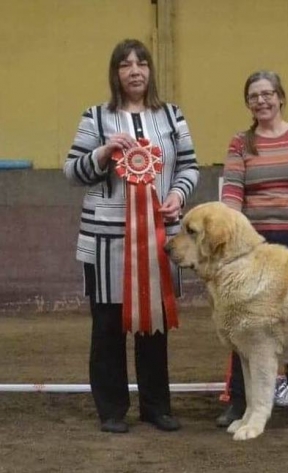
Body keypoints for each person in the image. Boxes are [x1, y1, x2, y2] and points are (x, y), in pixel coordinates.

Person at [64, 39, 200, 434]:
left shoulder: (173, 116)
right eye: (126, 65)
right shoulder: (94, 117)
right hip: (105, 241)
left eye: (141, 63)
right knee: (106, 328)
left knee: (154, 324)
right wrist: (104, 152)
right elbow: (73, 172)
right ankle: (111, 410)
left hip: (160, 237)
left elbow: (190, 166)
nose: (135, 70)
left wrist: (177, 194)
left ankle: (156, 407)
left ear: (150, 71)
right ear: (116, 73)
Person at [218, 70, 288, 427]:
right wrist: (232, 237)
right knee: (245, 323)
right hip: (254, 248)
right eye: (254, 96)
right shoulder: (241, 143)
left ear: (281, 97)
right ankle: (239, 401)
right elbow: (232, 194)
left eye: (267, 94)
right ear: (248, 104)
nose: (262, 101)